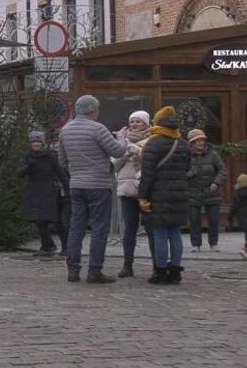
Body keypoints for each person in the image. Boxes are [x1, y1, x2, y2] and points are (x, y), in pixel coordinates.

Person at [57, 95, 127, 284]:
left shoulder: (65, 130)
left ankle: (73, 270)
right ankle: (95, 270)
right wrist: (122, 137)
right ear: (93, 110)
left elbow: (62, 161)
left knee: (76, 227)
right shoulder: (98, 129)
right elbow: (118, 151)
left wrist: (76, 169)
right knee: (99, 229)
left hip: (76, 184)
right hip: (98, 185)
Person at [137, 107, 190, 285]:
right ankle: (175, 272)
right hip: (180, 193)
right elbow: (187, 168)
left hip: (158, 194)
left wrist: (142, 197)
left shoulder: (153, 143)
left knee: (160, 232)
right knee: (175, 232)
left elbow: (148, 174)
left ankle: (160, 271)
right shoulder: (182, 143)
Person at [113, 110, 153, 277]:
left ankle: (157, 264)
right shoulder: (122, 141)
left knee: (151, 228)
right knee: (129, 228)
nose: (134, 124)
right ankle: (127, 264)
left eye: (138, 121)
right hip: (127, 190)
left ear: (146, 123)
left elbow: (152, 161)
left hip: (147, 189)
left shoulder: (152, 140)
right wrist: (126, 152)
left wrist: (137, 151)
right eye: (132, 121)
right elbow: (114, 164)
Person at [17, 131, 69, 257]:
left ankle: (66, 247)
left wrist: (68, 188)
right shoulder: (27, 157)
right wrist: (28, 165)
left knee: (58, 221)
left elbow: (60, 172)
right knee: (39, 221)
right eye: (33, 142)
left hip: (50, 191)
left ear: (42, 143)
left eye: (38, 142)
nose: (35, 144)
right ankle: (48, 246)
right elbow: (20, 173)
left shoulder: (51, 156)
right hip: (34, 191)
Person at [185, 129, 225, 253]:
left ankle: (213, 243)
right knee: (194, 220)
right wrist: (188, 174)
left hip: (211, 192)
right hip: (193, 192)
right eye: (197, 141)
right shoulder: (186, 156)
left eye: (202, 140)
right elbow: (180, 172)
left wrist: (216, 183)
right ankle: (195, 244)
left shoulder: (213, 155)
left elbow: (222, 170)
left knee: (213, 220)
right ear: (191, 143)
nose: (200, 143)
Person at [232, 174, 247, 260]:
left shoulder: (237, 194)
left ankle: (245, 249)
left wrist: (230, 218)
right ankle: (245, 250)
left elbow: (233, 207)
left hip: (242, 219)